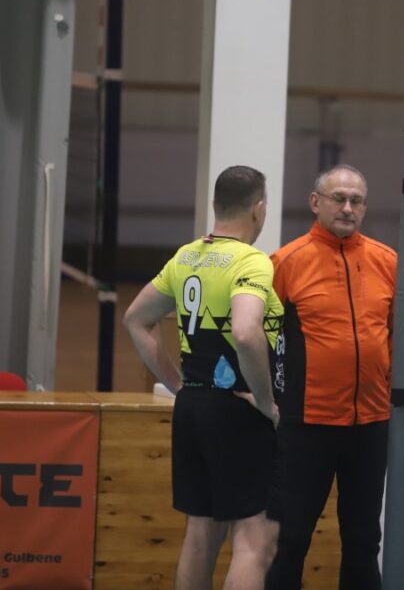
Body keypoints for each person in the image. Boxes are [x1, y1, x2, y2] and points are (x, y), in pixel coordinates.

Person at [124, 165, 282, 590]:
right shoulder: (251, 261)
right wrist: (265, 400)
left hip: (193, 407)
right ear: (259, 208)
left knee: (201, 536)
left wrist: (179, 384)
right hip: (237, 410)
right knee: (255, 541)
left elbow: (135, 319)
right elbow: (246, 331)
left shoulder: (187, 256)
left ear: (216, 204)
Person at [265, 164, 397, 590]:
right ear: (315, 202)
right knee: (291, 539)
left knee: (364, 540)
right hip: (306, 425)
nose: (347, 208)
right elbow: (262, 340)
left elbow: (396, 336)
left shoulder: (387, 261)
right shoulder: (286, 262)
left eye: (356, 201)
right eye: (338, 198)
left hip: (370, 425)